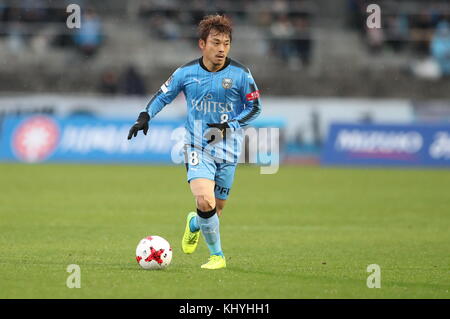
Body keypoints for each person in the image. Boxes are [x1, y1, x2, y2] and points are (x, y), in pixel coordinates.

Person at [127, 14, 262, 270]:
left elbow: (255, 108)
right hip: (197, 146)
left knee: (215, 210)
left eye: (226, 43)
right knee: (204, 201)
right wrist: (145, 116)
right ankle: (217, 257)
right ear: (202, 44)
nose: (222, 49)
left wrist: (229, 126)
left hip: (229, 149)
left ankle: (194, 224)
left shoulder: (241, 74)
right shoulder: (186, 73)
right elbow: (162, 95)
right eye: (216, 42)